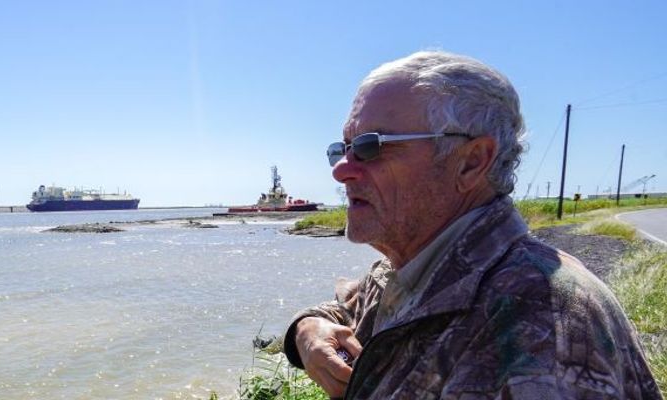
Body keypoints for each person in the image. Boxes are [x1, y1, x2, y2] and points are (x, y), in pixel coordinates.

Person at [282, 51, 661, 399]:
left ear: (471, 162)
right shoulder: (411, 268)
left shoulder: (540, 324)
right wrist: (307, 332)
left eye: (371, 146)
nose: (341, 170)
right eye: (343, 148)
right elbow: (345, 308)